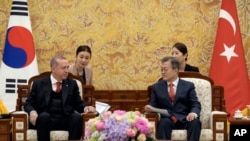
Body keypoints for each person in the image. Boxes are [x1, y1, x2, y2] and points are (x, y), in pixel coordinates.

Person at [24, 55, 96, 141]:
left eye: (67, 67)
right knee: (43, 116)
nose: (67, 71)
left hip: (65, 120)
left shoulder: (72, 84)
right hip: (46, 121)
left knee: (76, 117)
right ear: (53, 69)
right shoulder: (39, 83)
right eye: (63, 68)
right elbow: (28, 104)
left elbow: (78, 104)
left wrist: (86, 108)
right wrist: (32, 111)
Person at [145, 56, 201, 141]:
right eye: (162, 69)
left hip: (185, 119)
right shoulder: (156, 87)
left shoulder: (188, 86)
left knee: (195, 122)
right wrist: (149, 108)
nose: (163, 72)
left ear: (175, 70)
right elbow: (153, 105)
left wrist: (193, 113)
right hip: (167, 120)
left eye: (165, 69)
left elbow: (195, 103)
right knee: (163, 123)